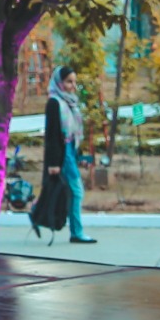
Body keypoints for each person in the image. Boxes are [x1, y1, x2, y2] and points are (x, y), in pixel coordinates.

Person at [44, 66, 97, 244]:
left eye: (74, 82)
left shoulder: (70, 103)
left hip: (70, 152)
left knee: (73, 192)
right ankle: (77, 232)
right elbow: (52, 135)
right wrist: (53, 163)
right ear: (59, 82)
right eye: (68, 81)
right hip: (62, 154)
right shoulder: (54, 103)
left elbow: (73, 133)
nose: (72, 86)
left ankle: (75, 230)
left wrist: (79, 155)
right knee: (76, 191)